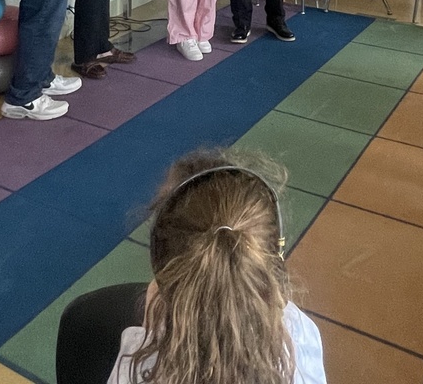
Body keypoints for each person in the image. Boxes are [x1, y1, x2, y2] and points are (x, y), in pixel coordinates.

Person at [107, 148, 327, 384]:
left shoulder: (137, 364)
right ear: (270, 257)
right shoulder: (300, 335)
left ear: (162, 269)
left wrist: (151, 331)